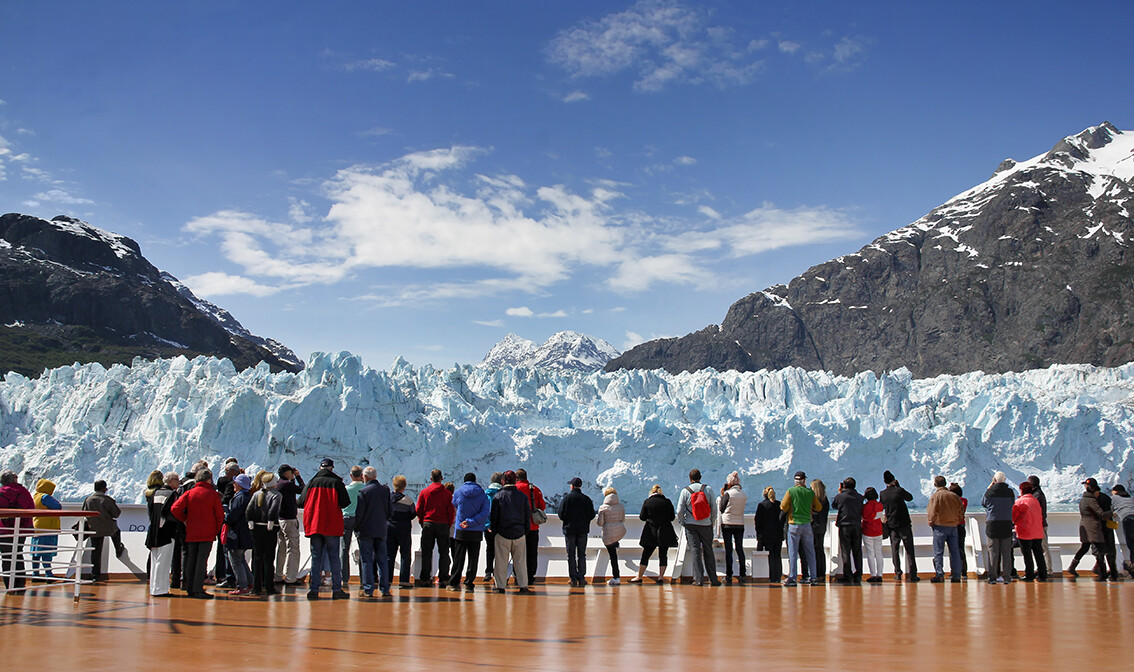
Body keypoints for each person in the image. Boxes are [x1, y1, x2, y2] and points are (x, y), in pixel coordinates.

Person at [299, 458, 351, 600]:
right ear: (332, 469)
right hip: (332, 525)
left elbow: (301, 502)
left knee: (316, 558)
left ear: (320, 468)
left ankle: (314, 590)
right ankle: (336, 589)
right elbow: (345, 503)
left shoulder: (311, 483)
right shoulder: (336, 483)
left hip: (315, 524)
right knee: (334, 558)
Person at [169, 468, 224, 598]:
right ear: (208, 479)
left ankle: (189, 587)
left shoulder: (190, 493)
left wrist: (184, 520)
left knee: (191, 559)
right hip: (207, 532)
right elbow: (220, 515)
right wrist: (215, 529)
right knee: (201, 560)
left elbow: (175, 508)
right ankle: (198, 589)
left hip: (192, 531)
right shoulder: (213, 494)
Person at [490, 470, 533, 593]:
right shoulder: (522, 497)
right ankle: (523, 585)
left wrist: (495, 532)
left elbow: (494, 517)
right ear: (515, 481)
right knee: (520, 562)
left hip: (502, 534)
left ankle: (500, 586)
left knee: (501, 562)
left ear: (503, 481)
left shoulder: (498, 496)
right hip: (519, 533)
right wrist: (525, 530)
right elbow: (526, 515)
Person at [354, 466, 393, 598]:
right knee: (382, 559)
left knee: (367, 560)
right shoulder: (385, 490)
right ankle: (385, 588)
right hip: (381, 529)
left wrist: (357, 527)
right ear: (375, 476)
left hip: (366, 530)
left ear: (364, 477)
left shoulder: (363, 492)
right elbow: (390, 511)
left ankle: (368, 589)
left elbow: (359, 514)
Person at [447, 472, 489, 593]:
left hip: (461, 528)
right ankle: (469, 583)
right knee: (473, 558)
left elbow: (454, 503)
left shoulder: (459, 492)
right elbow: (485, 512)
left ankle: (454, 582)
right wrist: (472, 522)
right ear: (475, 481)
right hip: (476, 530)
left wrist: (465, 521)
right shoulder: (482, 494)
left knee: (458, 557)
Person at [678, 468, 720, 586]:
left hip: (691, 525)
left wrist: (683, 522)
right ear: (700, 477)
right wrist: (711, 521)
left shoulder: (685, 491)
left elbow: (679, 510)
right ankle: (713, 579)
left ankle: (698, 579)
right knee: (708, 550)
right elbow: (714, 508)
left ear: (690, 478)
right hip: (706, 525)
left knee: (695, 551)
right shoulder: (708, 489)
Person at [631, 485, 678, 584]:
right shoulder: (667, 502)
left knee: (646, 554)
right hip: (665, 531)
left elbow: (642, 517)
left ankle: (639, 576)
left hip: (650, 531)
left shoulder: (647, 502)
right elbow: (672, 517)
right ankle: (660, 577)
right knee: (663, 555)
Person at [416, 468, 455, 587]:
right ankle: (443, 578)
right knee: (444, 552)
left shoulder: (424, 492)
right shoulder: (447, 494)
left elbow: (419, 509)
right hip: (443, 524)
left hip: (428, 523)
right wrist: (448, 524)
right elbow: (451, 511)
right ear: (441, 478)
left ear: (431, 479)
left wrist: (422, 521)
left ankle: (425, 578)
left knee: (427, 551)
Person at [780, 471, 821, 586]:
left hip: (794, 524)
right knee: (810, 552)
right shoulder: (810, 492)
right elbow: (818, 507)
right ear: (804, 480)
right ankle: (813, 577)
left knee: (793, 552)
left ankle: (793, 577)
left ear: (795, 480)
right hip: (807, 524)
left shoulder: (791, 491)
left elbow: (783, 506)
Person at [245, 471, 282, 597]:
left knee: (257, 558)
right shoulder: (276, 495)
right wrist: (271, 522)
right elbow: (273, 510)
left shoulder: (256, 494)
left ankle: (256, 587)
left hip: (256, 528)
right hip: (269, 529)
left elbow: (249, 510)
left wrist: (251, 522)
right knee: (269, 558)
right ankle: (269, 587)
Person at [144, 471, 179, 596]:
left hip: (154, 532)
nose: (178, 482)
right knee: (163, 562)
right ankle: (161, 589)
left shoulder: (155, 493)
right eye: (176, 479)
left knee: (155, 560)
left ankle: (154, 588)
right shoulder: (172, 494)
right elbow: (172, 514)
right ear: (170, 480)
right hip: (167, 532)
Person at [880, 470, 918, 582]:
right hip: (904, 524)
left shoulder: (883, 493)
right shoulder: (899, 491)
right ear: (894, 480)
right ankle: (913, 574)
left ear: (884, 481)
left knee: (894, 549)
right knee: (909, 549)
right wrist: (899, 486)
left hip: (892, 525)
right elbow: (909, 497)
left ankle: (897, 572)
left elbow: (882, 506)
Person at [558, 476, 596, 587]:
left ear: (572, 486)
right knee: (582, 554)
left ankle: (573, 578)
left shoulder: (566, 499)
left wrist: (567, 521)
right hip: (583, 530)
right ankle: (582, 577)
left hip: (569, 530)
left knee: (571, 554)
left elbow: (561, 514)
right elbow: (591, 515)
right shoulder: (586, 499)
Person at [0, 470, 35, 590]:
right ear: (13, 479)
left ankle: (9, 584)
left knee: (6, 557)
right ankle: (20, 584)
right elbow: (31, 507)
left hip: (3, 529)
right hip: (21, 529)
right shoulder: (22, 491)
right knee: (18, 553)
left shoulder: (0, 492)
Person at [81, 480, 122, 582]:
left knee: (96, 552)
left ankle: (95, 575)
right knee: (116, 532)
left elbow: (83, 513)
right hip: (109, 528)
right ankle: (118, 549)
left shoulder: (88, 500)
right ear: (104, 489)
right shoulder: (107, 500)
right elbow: (116, 514)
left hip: (94, 529)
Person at [1075, 478, 1115, 582]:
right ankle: (1113, 573)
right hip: (1108, 527)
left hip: (1097, 528)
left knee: (1099, 551)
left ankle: (1102, 573)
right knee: (1110, 550)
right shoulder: (1105, 497)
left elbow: (1099, 514)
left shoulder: (1091, 499)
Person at [926, 475, 964, 583]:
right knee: (954, 551)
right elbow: (961, 510)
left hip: (940, 526)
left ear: (935, 484)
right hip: (953, 526)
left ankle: (939, 574)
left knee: (938, 551)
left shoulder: (936, 496)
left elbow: (932, 510)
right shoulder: (954, 496)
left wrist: (931, 520)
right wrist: (957, 520)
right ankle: (956, 574)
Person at [981, 471, 1016, 584]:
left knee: (993, 551)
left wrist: (990, 487)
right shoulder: (1010, 492)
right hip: (1006, 524)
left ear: (994, 480)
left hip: (993, 525)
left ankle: (992, 577)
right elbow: (1012, 504)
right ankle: (1007, 576)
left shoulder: (989, 492)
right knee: (1006, 551)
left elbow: (984, 503)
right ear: (1004, 480)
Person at [274, 464, 304, 585]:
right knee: (293, 548)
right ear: (287, 473)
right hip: (290, 520)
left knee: (281, 549)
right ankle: (291, 577)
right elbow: (302, 489)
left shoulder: (279, 484)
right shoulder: (287, 485)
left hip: (280, 519)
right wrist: (297, 477)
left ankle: (278, 575)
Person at [224, 473, 254, 595]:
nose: (233, 485)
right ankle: (250, 582)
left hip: (236, 534)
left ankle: (242, 586)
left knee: (236, 560)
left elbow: (233, 516)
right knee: (240, 559)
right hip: (245, 533)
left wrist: (225, 516)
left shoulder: (239, 498)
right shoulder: (248, 497)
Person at [515, 469, 545, 585]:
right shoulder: (534, 489)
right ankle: (530, 576)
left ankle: (518, 576)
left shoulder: (515, 489)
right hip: (533, 526)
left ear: (517, 478)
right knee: (532, 552)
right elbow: (541, 506)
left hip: (518, 527)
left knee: (518, 553)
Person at [1013, 481, 1047, 582]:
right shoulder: (1035, 501)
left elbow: (1014, 516)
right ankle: (1042, 574)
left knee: (1027, 554)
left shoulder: (1020, 502)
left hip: (1025, 532)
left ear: (1022, 490)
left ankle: (1029, 574)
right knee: (1038, 553)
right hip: (1037, 531)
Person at [831, 477, 864, 584]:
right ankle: (858, 574)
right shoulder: (859, 497)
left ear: (844, 486)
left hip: (844, 527)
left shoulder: (840, 497)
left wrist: (841, 492)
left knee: (846, 551)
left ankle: (847, 575)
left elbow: (834, 505)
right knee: (857, 551)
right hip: (857, 526)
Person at [214, 459, 240, 589]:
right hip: (229, 521)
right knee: (226, 549)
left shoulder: (225, 483)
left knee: (224, 548)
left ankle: (225, 576)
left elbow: (225, 499)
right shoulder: (229, 484)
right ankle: (227, 576)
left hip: (225, 520)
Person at [388, 475, 416, 589]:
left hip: (389, 528)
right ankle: (404, 580)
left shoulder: (388, 498)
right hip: (403, 529)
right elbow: (413, 513)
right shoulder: (407, 500)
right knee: (405, 554)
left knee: (389, 554)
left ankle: (387, 579)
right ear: (404, 486)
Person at [719, 472, 747, 585]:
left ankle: (729, 575)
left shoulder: (728, 494)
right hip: (740, 523)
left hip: (727, 523)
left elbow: (721, 508)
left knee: (729, 549)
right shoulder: (743, 494)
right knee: (740, 548)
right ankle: (743, 574)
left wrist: (722, 495)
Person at [31, 478, 62, 579]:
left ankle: (35, 574)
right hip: (48, 527)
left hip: (37, 526)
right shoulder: (45, 497)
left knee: (36, 552)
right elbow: (58, 506)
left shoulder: (35, 496)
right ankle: (49, 574)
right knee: (46, 552)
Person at [754, 486, 785, 583]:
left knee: (770, 556)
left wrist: (759, 534)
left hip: (766, 535)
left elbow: (758, 521)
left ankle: (772, 577)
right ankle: (778, 576)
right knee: (777, 556)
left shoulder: (762, 505)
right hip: (778, 535)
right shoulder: (778, 504)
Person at [597, 486, 627, 586]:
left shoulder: (603, 508)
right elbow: (622, 519)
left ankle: (616, 577)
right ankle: (617, 544)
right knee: (614, 554)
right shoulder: (621, 506)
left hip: (608, 535)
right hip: (618, 533)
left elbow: (600, 523)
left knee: (613, 556)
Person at [341, 465, 365, 587]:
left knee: (344, 549)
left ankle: (344, 578)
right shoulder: (365, 488)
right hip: (361, 520)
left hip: (346, 519)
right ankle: (363, 578)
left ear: (351, 475)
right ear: (362, 475)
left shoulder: (346, 489)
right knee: (363, 549)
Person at [1027, 475, 1053, 572]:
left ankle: (1048, 569)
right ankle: (1044, 568)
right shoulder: (1037, 494)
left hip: (1039, 525)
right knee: (1041, 547)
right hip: (1039, 524)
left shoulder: (1037, 495)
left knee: (1043, 547)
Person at [861, 487, 885, 583]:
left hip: (868, 531)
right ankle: (880, 574)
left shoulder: (866, 507)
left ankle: (873, 575)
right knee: (879, 553)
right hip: (878, 531)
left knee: (870, 553)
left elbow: (864, 516)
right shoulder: (879, 505)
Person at [483, 472, 503, 582]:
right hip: (500, 526)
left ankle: (488, 571)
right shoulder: (502, 493)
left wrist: (487, 525)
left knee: (489, 548)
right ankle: (498, 573)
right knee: (500, 550)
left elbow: (484, 511)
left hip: (488, 526)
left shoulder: (486, 494)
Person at [1111, 484, 1134, 578]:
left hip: (1127, 519)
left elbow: (1109, 509)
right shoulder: (1130, 498)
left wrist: (1114, 513)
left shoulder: (1114, 498)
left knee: (1131, 544)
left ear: (1115, 492)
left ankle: (1132, 566)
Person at [810, 479, 830, 583]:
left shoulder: (814, 500)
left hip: (813, 527)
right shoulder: (825, 500)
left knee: (813, 551)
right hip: (822, 527)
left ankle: (815, 573)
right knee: (820, 550)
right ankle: (821, 573)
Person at [948, 482, 969, 576]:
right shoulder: (964, 500)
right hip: (961, 527)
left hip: (953, 526)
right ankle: (963, 570)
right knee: (960, 549)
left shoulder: (955, 501)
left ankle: (954, 571)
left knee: (953, 549)